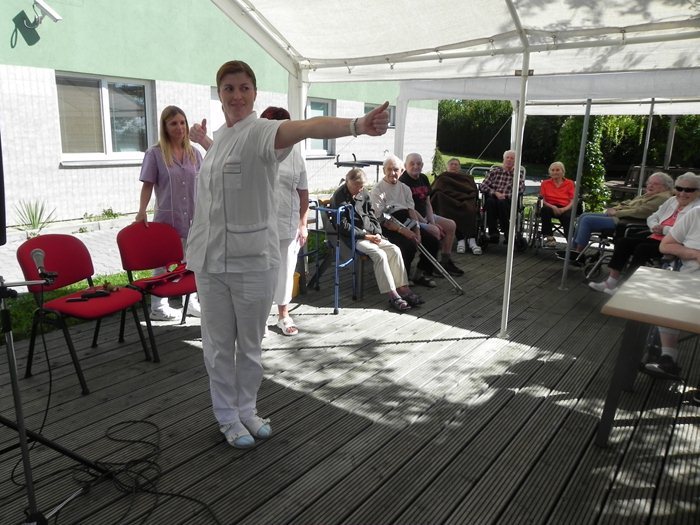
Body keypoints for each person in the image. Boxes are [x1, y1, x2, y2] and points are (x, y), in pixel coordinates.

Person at [186, 60, 390, 449]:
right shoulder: (220, 138)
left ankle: (247, 410)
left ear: (254, 93)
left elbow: (309, 127)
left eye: (244, 87)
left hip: (251, 260)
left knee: (249, 344)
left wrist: (357, 125)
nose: (236, 95)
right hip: (209, 261)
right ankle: (227, 416)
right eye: (228, 88)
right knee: (217, 346)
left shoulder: (263, 132)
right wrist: (203, 141)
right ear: (220, 94)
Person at [135, 105, 203, 321]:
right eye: (173, 123)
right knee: (163, 263)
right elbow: (147, 185)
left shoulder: (195, 153)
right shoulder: (155, 154)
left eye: (182, 122)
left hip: (193, 217)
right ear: (165, 126)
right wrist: (141, 211)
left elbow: (205, 183)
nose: (179, 127)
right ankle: (158, 307)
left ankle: (190, 303)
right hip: (168, 218)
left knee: (190, 261)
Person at [589, 173, 700, 295]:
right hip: (654, 236)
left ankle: (626, 286)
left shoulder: (696, 210)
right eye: (679, 189)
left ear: (698, 191)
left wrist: (664, 229)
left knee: (642, 249)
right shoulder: (672, 201)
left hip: (673, 244)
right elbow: (653, 217)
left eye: (688, 190)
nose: (682, 193)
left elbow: (686, 232)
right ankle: (611, 281)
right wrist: (654, 226)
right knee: (624, 242)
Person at [330, 168, 423, 312]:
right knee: (379, 254)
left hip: (371, 233)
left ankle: (403, 288)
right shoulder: (339, 197)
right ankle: (393, 295)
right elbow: (343, 227)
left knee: (394, 250)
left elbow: (372, 214)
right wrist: (366, 236)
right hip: (354, 237)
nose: (359, 189)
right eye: (356, 186)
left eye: (362, 186)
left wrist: (377, 232)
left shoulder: (364, 193)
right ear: (347, 181)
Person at [260, 106, 309, 336]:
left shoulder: (296, 157)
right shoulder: (255, 152)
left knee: (286, 271)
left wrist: (303, 224)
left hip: (287, 224)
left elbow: (303, 193)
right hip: (258, 226)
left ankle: (283, 315)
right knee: (260, 273)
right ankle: (259, 318)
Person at [644, 205, 700, 381]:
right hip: (689, 281)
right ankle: (668, 357)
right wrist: (694, 254)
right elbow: (665, 245)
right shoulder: (696, 214)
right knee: (664, 298)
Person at [370, 155, 441, 288]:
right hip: (387, 225)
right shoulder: (377, 190)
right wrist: (402, 230)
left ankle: (419, 274)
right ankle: (403, 278)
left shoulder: (405, 188)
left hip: (406, 221)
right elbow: (381, 218)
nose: (392, 173)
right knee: (408, 245)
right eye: (389, 169)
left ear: (402, 171)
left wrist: (417, 231)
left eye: (396, 169)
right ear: (384, 170)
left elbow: (411, 211)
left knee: (432, 241)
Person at [565, 172, 674, 255]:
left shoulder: (662, 197)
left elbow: (641, 211)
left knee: (587, 220)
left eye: (655, 184)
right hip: (622, 217)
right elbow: (628, 203)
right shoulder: (651, 194)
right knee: (584, 216)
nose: (650, 185)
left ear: (665, 186)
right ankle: (574, 249)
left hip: (627, 222)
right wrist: (614, 209)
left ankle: (578, 252)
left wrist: (617, 213)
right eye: (649, 183)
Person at [400, 153, 464, 276]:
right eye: (412, 164)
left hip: (425, 215)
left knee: (451, 225)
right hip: (412, 218)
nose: (415, 166)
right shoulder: (403, 182)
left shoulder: (423, 178)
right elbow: (410, 209)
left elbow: (427, 203)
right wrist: (428, 224)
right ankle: (427, 268)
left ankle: (445, 262)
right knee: (434, 232)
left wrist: (433, 222)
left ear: (422, 165)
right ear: (405, 165)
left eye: (419, 164)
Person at [430, 157, 481, 255]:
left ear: (459, 167)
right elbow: (434, 190)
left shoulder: (467, 178)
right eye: (451, 164)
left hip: (465, 199)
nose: (453, 166)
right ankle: (461, 240)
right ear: (447, 167)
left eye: (456, 164)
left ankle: (471, 240)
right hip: (448, 201)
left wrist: (463, 197)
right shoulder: (443, 177)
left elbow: (472, 191)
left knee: (470, 210)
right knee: (446, 208)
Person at [479, 149, 526, 243]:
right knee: (490, 202)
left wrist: (506, 195)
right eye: (507, 158)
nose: (509, 160)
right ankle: (493, 233)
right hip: (493, 198)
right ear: (503, 159)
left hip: (508, 201)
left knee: (501, 202)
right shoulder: (495, 172)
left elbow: (520, 189)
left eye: (512, 158)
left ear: (516, 161)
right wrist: (495, 193)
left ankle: (507, 231)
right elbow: (483, 185)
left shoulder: (518, 175)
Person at [538, 161, 575, 248]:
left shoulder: (570, 183)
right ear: (550, 172)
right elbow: (542, 200)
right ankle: (549, 238)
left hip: (565, 207)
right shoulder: (545, 183)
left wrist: (564, 209)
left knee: (567, 217)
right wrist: (553, 207)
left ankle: (570, 241)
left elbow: (573, 200)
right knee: (544, 210)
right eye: (552, 170)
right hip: (549, 206)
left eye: (557, 170)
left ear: (563, 171)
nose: (555, 172)